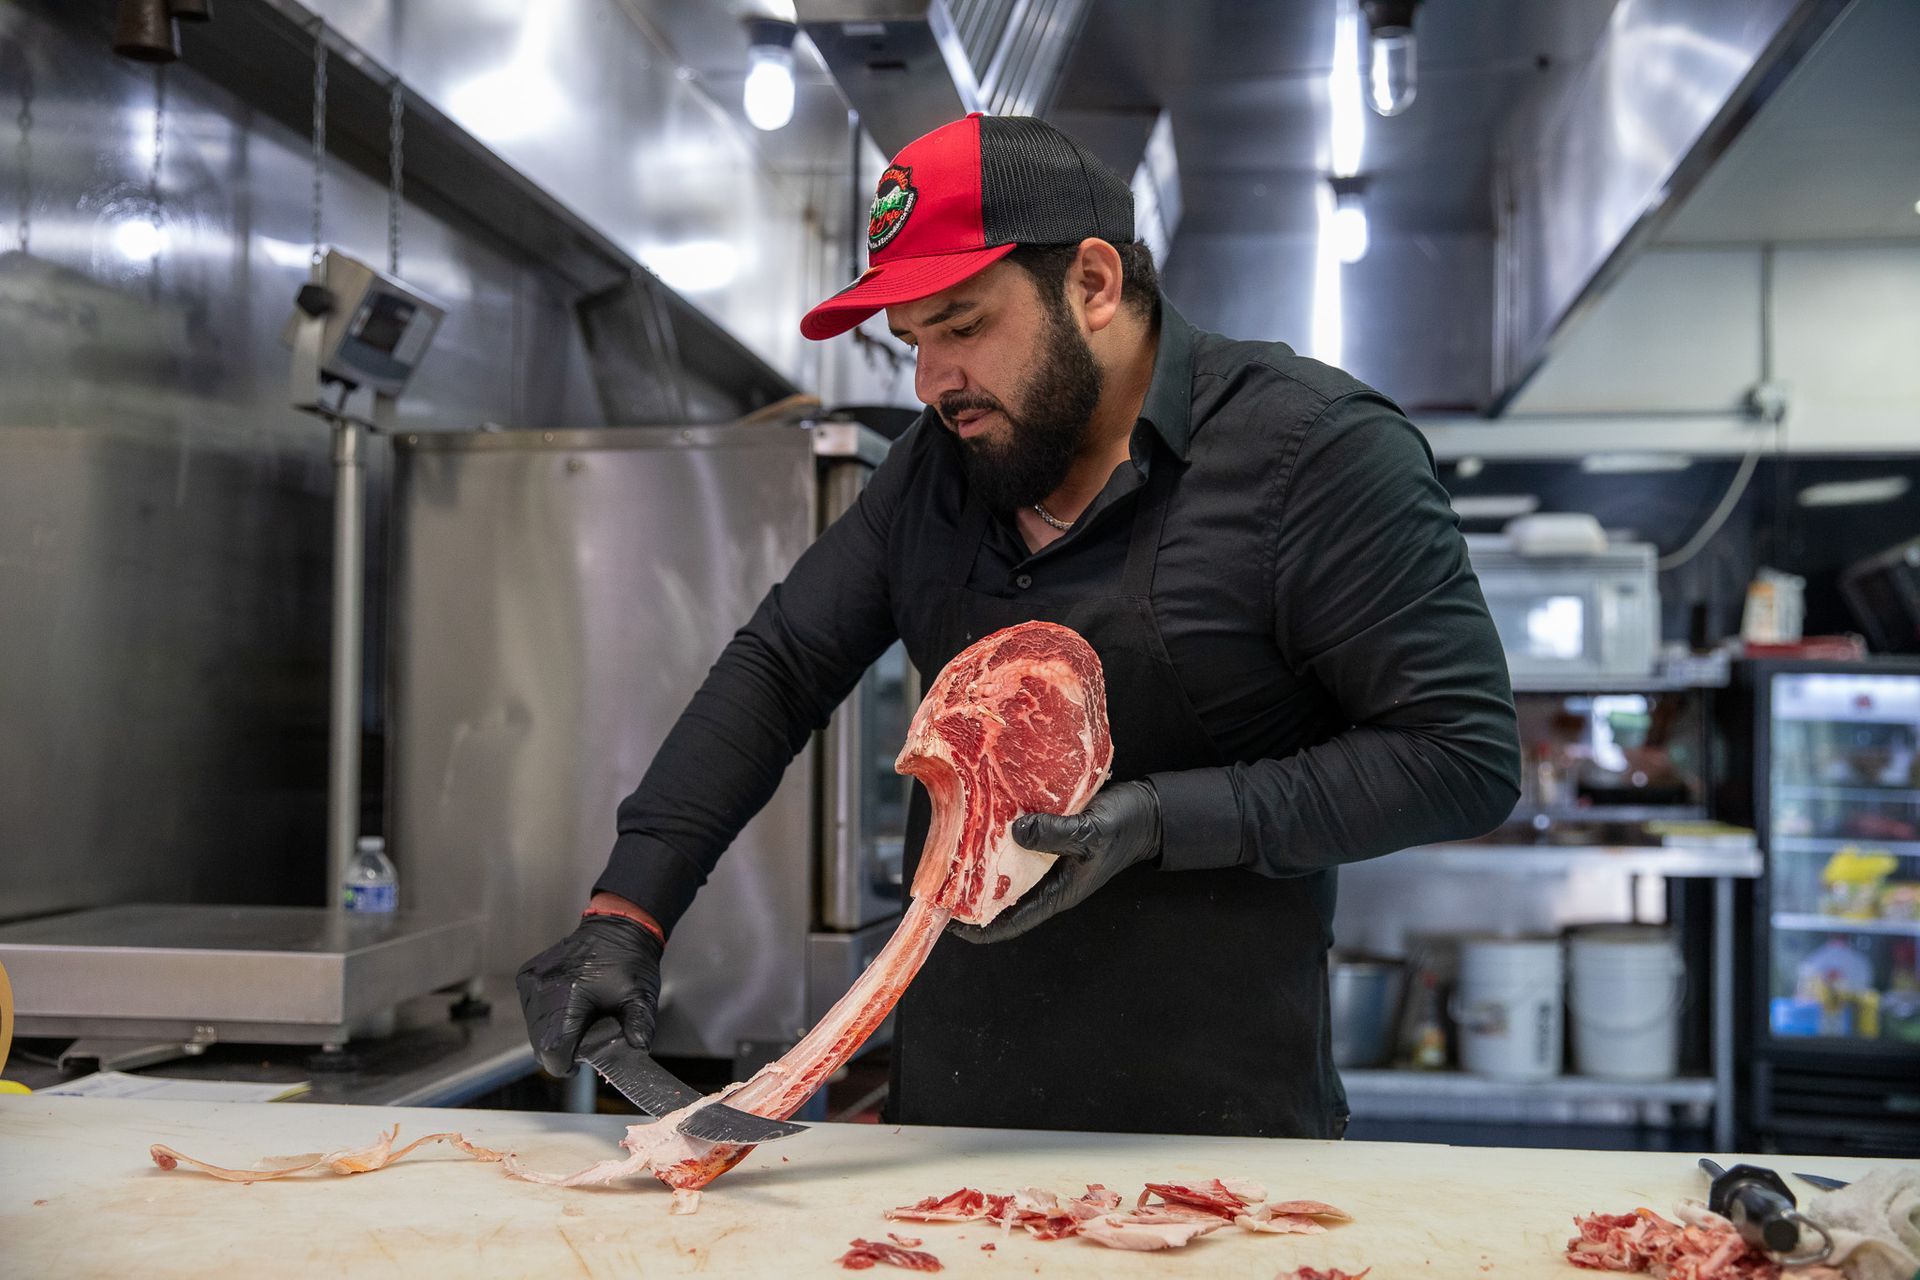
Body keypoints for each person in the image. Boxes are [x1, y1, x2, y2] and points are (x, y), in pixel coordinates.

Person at [518, 113, 1520, 1139]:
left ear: (1093, 283)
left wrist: (1158, 821)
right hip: (949, 1132)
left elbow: (1462, 755)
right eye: (910, 341)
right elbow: (781, 667)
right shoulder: (936, 470)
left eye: (962, 325)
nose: (929, 382)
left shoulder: (1315, 455)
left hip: (1221, 1148)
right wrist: (627, 911)